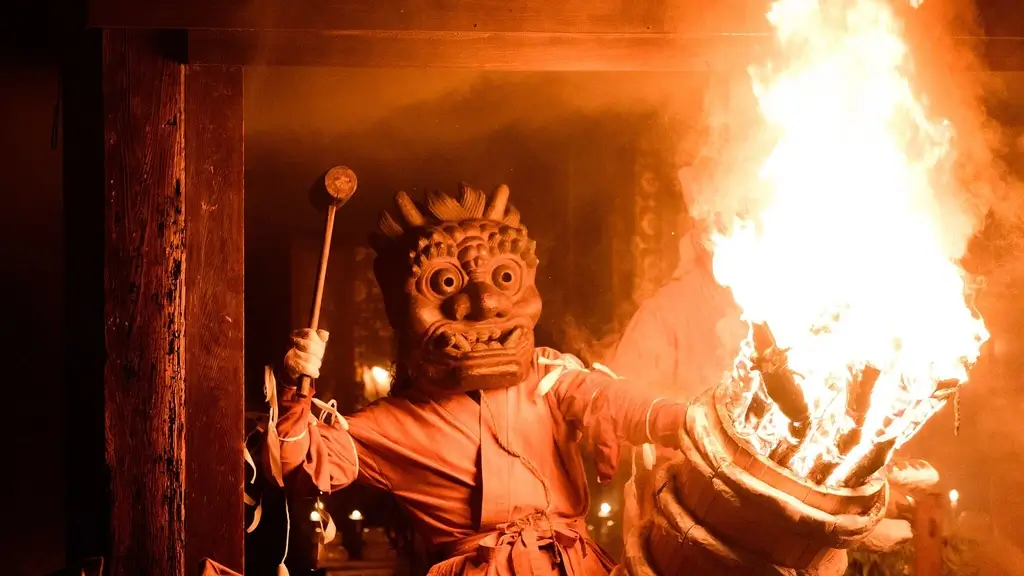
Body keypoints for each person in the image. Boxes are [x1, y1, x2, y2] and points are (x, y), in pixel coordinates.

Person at [262, 183, 690, 576]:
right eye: (443, 283)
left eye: (506, 278)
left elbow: (607, 399)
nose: (486, 303)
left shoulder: (548, 377)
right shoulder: (393, 424)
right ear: (399, 310)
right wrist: (295, 388)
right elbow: (297, 463)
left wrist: (687, 421)